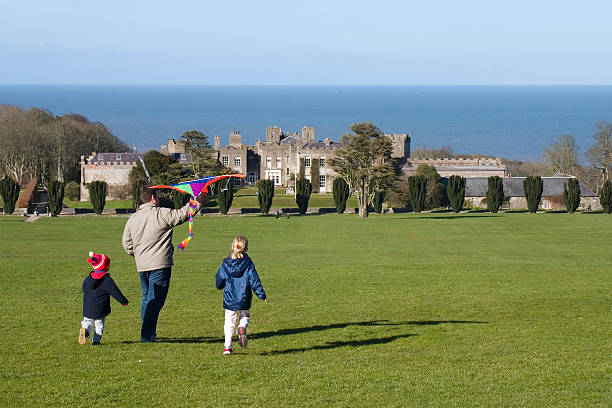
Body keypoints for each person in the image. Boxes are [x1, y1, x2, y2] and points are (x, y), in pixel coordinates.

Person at [122, 186, 206, 342]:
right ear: (153, 198)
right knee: (155, 301)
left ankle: (148, 330)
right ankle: (147, 334)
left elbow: (126, 244)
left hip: (142, 266)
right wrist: (200, 199)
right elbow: (184, 213)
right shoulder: (161, 214)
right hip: (160, 265)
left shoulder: (132, 219)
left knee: (147, 298)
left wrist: (139, 255)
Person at [215, 235, 267, 355]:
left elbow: (219, 278)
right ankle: (242, 326)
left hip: (230, 298)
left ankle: (227, 347)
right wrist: (261, 294)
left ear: (233, 247)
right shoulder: (248, 264)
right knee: (245, 314)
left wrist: (219, 286)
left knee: (229, 322)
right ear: (246, 248)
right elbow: (255, 280)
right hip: (244, 297)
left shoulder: (226, 263)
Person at [79, 252, 128, 345]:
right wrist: (123, 301)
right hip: (100, 308)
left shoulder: (88, 278)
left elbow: (83, 288)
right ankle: (96, 342)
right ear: (106, 266)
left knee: (87, 322)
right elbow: (115, 292)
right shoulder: (106, 279)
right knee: (99, 324)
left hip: (87, 307)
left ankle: (85, 332)